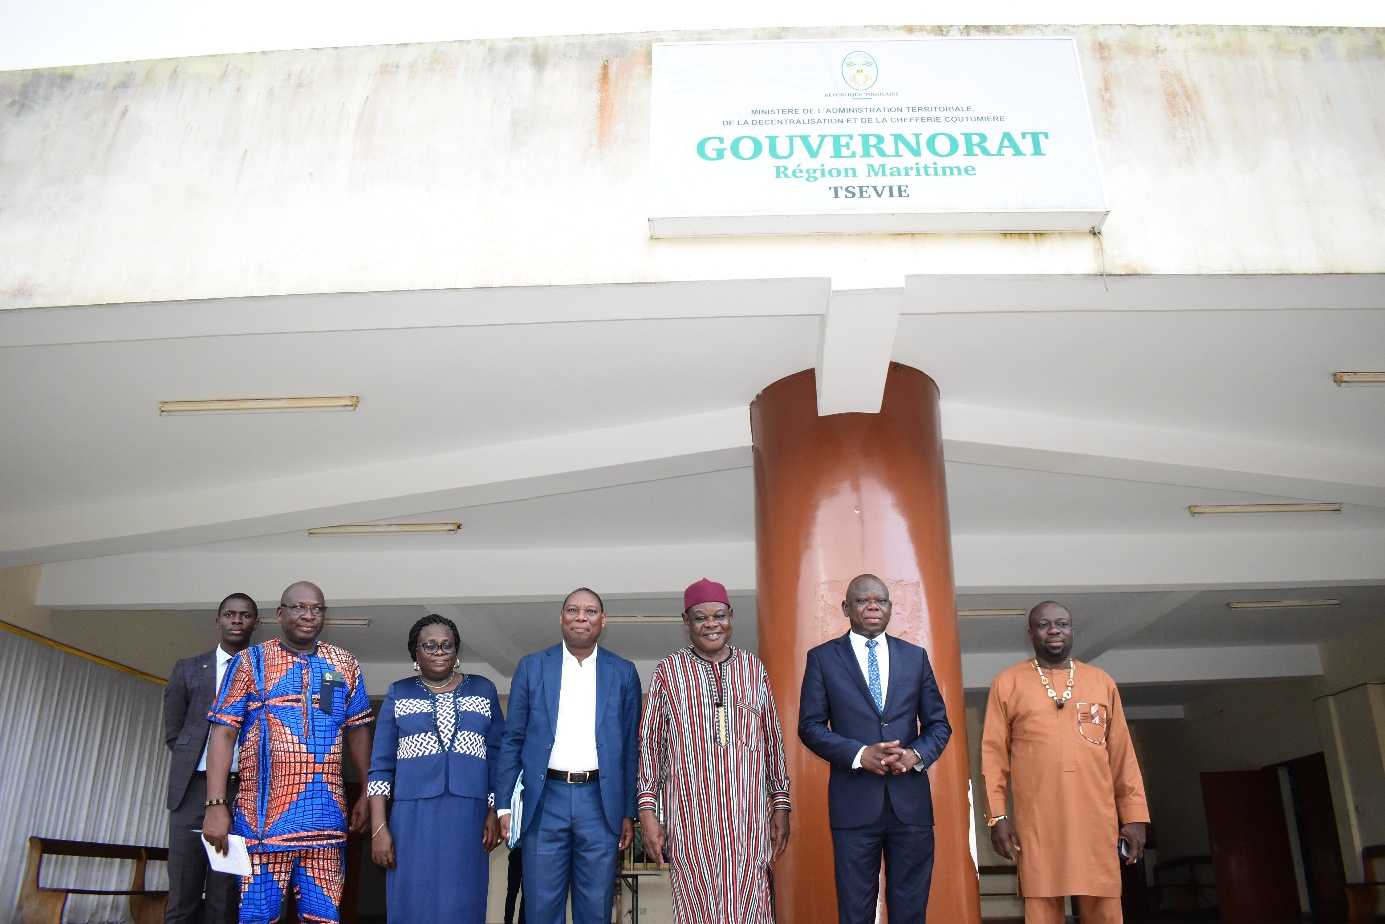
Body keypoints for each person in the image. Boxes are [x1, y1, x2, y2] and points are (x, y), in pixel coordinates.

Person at [202, 581, 373, 924]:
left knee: (323, 918)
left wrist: (368, 791)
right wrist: (216, 804)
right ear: (280, 613)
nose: (308, 616)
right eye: (298, 607)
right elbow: (223, 732)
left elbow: (357, 729)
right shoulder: (250, 661)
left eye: (317, 609)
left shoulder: (343, 663)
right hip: (262, 823)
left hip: (326, 821)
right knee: (257, 918)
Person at [981, 601, 1149, 924]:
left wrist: (1135, 816)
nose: (1054, 630)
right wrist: (997, 817)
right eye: (1044, 625)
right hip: (1039, 823)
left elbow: (1123, 756)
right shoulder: (1007, 684)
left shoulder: (1102, 682)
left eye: (1062, 624)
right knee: (1043, 909)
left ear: (1073, 631)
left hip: (1097, 821)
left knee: (1104, 908)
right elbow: (993, 755)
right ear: (1030, 634)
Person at [798, 573, 952, 924]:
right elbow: (809, 726)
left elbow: (939, 724)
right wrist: (858, 755)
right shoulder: (822, 658)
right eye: (863, 600)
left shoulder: (915, 657)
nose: (872, 606)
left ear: (890, 608)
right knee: (855, 911)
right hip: (854, 805)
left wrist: (915, 755)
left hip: (910, 806)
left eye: (880, 600)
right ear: (845, 608)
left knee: (911, 910)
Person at [638, 578, 792, 924]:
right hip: (691, 823)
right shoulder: (668, 672)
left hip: (747, 823)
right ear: (686, 622)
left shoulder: (754, 670)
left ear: (731, 617)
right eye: (700, 618)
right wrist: (648, 812)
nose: (711, 624)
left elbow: (773, 741)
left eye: (719, 615)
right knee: (695, 909)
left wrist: (780, 805)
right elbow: (650, 747)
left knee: (751, 906)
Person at [496, 587, 642, 924]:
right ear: (561, 618)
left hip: (600, 802)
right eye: (573, 610)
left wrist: (627, 812)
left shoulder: (623, 672)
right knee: (541, 907)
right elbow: (512, 739)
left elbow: (629, 750)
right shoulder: (532, 667)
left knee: (596, 905)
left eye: (590, 611)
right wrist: (504, 805)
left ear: (603, 621)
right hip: (544, 800)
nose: (581, 617)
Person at [367, 613, 504, 923]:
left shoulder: (484, 689)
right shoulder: (398, 692)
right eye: (429, 646)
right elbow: (380, 767)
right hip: (412, 816)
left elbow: (498, 756)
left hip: (469, 814)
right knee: (413, 900)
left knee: (463, 901)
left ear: (456, 652)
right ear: (415, 652)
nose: (439, 651)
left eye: (447, 645)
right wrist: (379, 828)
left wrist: (495, 811)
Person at [163, 593, 260, 924]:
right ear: (217, 621)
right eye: (229, 614)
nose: (236, 620)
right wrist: (201, 765)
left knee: (225, 897)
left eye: (244, 615)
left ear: (255, 623)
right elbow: (175, 733)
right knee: (182, 894)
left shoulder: (265, 675)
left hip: (242, 794)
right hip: (191, 792)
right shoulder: (188, 669)